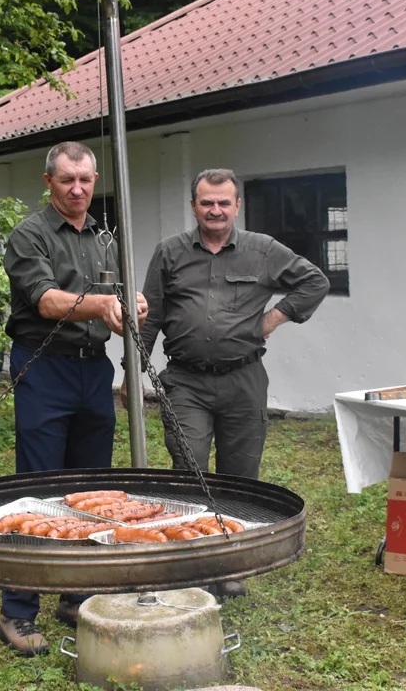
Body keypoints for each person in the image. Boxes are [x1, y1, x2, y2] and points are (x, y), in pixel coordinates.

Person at [130, 168, 329, 597]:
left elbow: (315, 281)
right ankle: (193, 562)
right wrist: (133, 372)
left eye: (224, 202)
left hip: (244, 380)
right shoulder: (170, 253)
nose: (215, 210)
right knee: (190, 468)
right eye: (206, 203)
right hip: (185, 381)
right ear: (194, 206)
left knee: (241, 477)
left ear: (237, 205)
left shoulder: (263, 251)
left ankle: (229, 564)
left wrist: (275, 318)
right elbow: (153, 317)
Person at [0, 141, 147, 656]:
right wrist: (104, 302)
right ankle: (17, 612)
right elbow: (45, 299)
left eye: (85, 179)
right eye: (67, 180)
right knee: (38, 489)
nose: (78, 189)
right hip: (43, 369)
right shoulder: (29, 235)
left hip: (91, 373)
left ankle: (77, 594)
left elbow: (116, 292)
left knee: (92, 489)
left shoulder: (102, 237)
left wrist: (132, 301)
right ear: (49, 182)